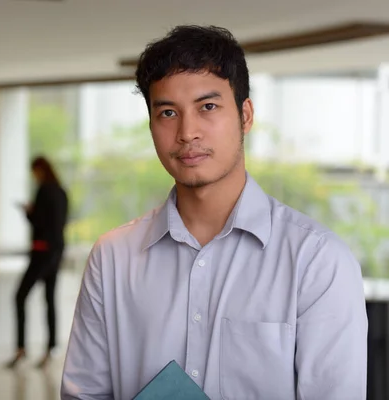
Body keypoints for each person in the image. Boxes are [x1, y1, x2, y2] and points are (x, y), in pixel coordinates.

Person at [61, 25, 367, 400]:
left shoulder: (317, 262)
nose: (188, 132)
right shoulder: (112, 258)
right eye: (168, 112)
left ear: (246, 115)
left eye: (208, 107)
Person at [8, 156, 68, 369]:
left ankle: (21, 348)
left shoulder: (44, 190)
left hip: (42, 252)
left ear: (40, 170)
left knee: (20, 296)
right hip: (57, 252)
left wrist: (28, 213)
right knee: (49, 300)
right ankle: (51, 348)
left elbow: (40, 222)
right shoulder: (61, 191)